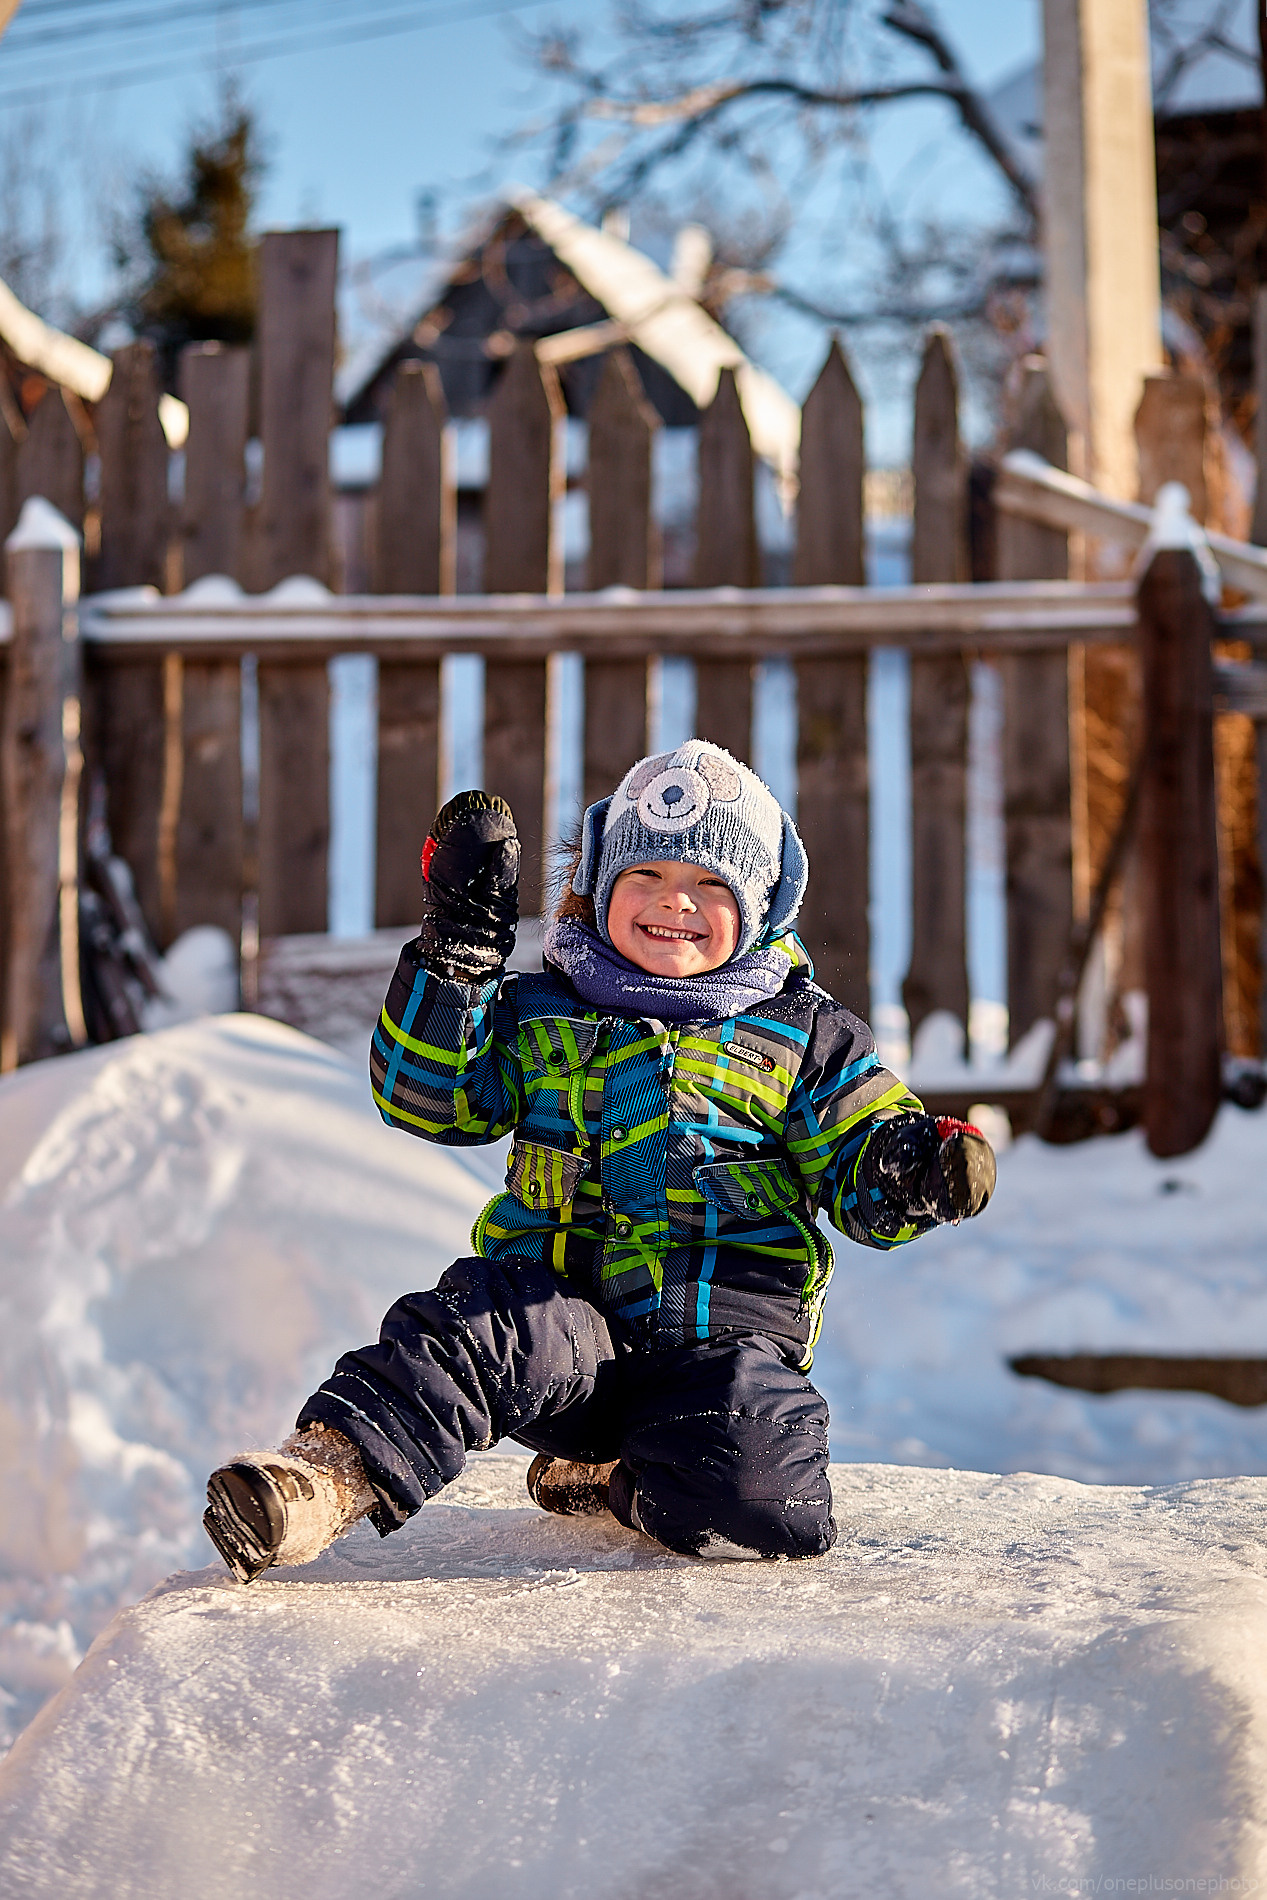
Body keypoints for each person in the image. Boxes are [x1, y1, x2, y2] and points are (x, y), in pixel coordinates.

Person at [204, 742, 995, 1580]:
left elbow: (858, 1158)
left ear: (762, 906)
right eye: (643, 879)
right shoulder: (539, 1010)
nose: (672, 905)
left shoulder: (803, 1037)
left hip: (723, 1354)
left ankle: (612, 1479)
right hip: (557, 1339)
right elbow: (427, 1098)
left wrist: (912, 1170)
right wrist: (457, 960)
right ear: (600, 888)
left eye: (709, 886)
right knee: (473, 1325)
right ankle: (322, 1478)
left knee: (763, 1507)